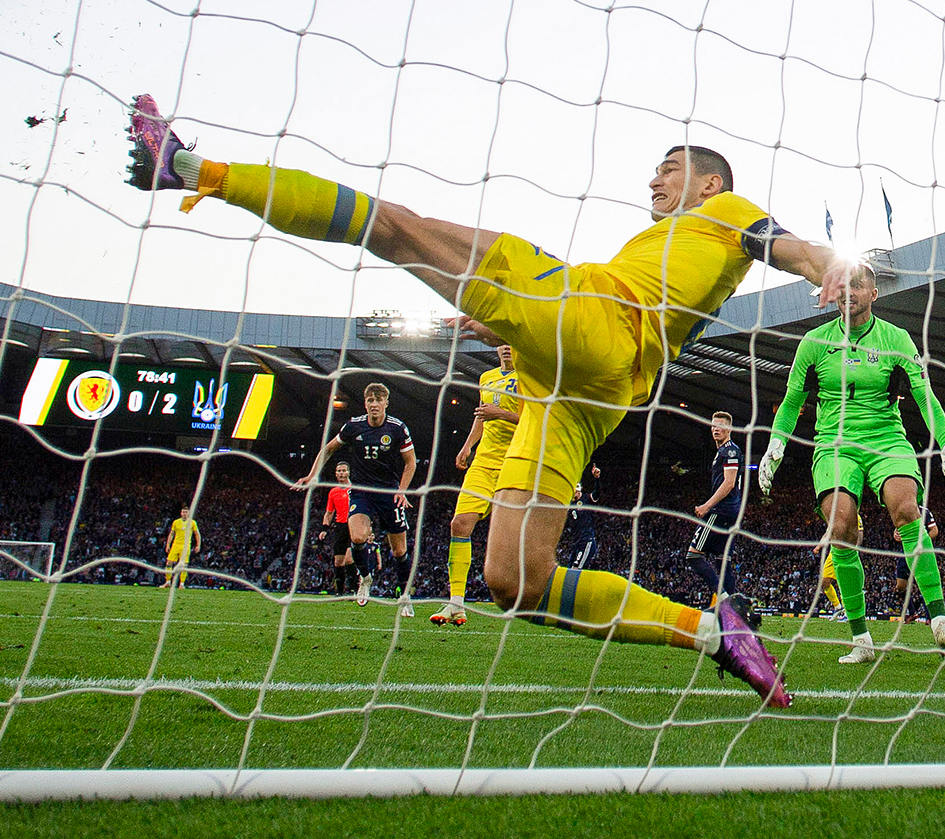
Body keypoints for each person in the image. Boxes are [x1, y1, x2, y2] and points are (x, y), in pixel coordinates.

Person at [131, 101, 831, 705]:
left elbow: (781, 243)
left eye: (670, 166)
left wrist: (825, 264)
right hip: (582, 393)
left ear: (708, 182)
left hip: (600, 313)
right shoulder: (673, 243)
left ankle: (195, 172)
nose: (655, 176)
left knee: (398, 228)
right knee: (514, 579)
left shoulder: (727, 209)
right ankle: (715, 632)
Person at [759, 261, 945, 665]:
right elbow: (792, 399)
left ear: (874, 294)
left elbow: (923, 394)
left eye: (857, 286)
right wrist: (775, 443)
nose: (848, 293)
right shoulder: (813, 342)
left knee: (906, 510)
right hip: (834, 443)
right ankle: (862, 640)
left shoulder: (895, 338)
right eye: (841, 287)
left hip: (886, 439)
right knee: (841, 526)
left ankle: (940, 623)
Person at [298, 383, 417, 611]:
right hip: (361, 491)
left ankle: (405, 596)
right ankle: (366, 578)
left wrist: (402, 490)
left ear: (386, 403)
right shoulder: (354, 426)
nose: (374, 404)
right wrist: (313, 475)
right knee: (359, 537)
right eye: (370, 401)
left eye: (378, 400)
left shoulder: (397, 428)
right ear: (365, 403)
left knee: (399, 551)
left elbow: (410, 462)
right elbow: (329, 448)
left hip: (389, 493)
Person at [434, 345, 522, 626]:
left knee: (511, 534)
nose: (507, 347)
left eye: (512, 341)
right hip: (483, 464)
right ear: (497, 348)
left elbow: (540, 421)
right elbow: (482, 416)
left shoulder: (533, 377)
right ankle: (456, 603)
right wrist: (467, 446)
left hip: (516, 463)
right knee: (459, 524)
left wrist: (502, 414)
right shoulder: (486, 378)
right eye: (502, 342)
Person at [686, 412, 747, 611]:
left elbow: (729, 483)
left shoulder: (729, 451)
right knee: (723, 562)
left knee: (693, 556)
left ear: (729, 429)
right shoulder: (723, 451)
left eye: (720, 426)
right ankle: (737, 610)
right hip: (732, 512)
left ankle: (723, 599)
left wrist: (706, 506)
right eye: (713, 426)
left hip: (721, 511)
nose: (715, 429)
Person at [316, 462, 357, 595]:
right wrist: (324, 529)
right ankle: (339, 591)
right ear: (335, 473)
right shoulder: (333, 492)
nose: (341, 473)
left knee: (349, 559)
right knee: (338, 562)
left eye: (343, 470)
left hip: (353, 525)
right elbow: (329, 513)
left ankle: (354, 589)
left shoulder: (355, 489)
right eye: (338, 470)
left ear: (348, 472)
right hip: (340, 527)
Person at [563, 466, 601, 571]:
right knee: (569, 570)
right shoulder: (570, 504)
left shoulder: (586, 499)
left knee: (576, 570)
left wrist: (597, 478)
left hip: (586, 541)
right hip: (576, 543)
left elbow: (597, 494)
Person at [162, 504, 200, 588]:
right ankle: (168, 582)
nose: (184, 513)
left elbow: (197, 534)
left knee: (183, 565)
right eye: (183, 512)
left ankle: (181, 584)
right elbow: (171, 534)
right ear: (181, 513)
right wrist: (168, 545)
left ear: (189, 513)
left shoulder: (192, 522)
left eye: (186, 512)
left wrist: (198, 545)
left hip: (185, 546)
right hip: (175, 545)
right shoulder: (176, 522)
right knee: (169, 563)